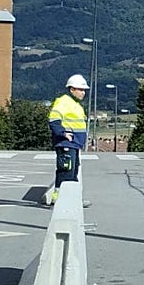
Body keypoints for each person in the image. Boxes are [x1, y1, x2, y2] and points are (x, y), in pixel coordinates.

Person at [47, 74, 90, 205]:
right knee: (66, 171)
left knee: (73, 172)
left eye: (84, 90)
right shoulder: (63, 102)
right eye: (80, 90)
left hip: (74, 144)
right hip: (66, 143)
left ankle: (73, 198)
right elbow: (54, 120)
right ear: (72, 89)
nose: (83, 93)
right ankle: (58, 198)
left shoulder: (76, 104)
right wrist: (63, 134)